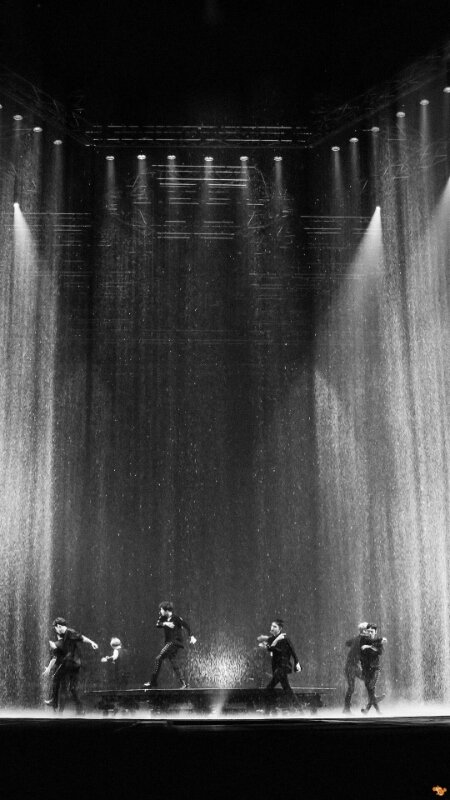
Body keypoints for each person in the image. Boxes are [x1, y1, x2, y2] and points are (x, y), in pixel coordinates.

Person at [43, 617, 98, 712]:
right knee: (72, 688)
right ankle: (80, 709)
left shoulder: (70, 632)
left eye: (55, 628)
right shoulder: (65, 635)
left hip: (69, 663)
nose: (55, 630)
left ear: (59, 626)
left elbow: (82, 637)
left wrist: (91, 642)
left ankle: (54, 701)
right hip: (75, 664)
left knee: (56, 678)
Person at [146, 602, 196, 689]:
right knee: (174, 663)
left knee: (158, 658)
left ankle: (153, 682)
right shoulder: (163, 618)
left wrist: (191, 636)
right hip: (169, 643)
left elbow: (186, 625)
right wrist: (165, 623)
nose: (160, 611)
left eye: (161, 610)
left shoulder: (176, 618)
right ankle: (184, 683)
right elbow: (157, 624)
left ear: (167, 610)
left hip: (174, 642)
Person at [257, 619, 301, 707]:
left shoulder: (285, 638)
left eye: (275, 626)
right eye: (271, 626)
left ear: (280, 628)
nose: (272, 628)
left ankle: (269, 709)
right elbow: (269, 647)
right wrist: (266, 641)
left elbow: (292, 650)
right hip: (277, 668)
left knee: (269, 688)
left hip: (282, 667)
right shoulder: (272, 639)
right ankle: (298, 708)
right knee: (287, 688)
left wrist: (297, 662)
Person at [359, 623, 387, 714]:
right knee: (371, 692)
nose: (370, 633)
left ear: (376, 632)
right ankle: (376, 711)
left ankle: (368, 707)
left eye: (372, 631)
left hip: (375, 669)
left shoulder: (377, 642)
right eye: (368, 631)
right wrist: (373, 646)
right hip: (365, 670)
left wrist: (369, 647)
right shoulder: (364, 640)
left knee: (371, 687)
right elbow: (363, 650)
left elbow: (380, 651)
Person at [342, 621, 368, 713]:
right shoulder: (361, 640)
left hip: (353, 666)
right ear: (364, 631)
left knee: (365, 680)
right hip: (351, 667)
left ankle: (370, 699)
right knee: (352, 687)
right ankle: (346, 708)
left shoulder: (357, 639)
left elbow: (347, 643)